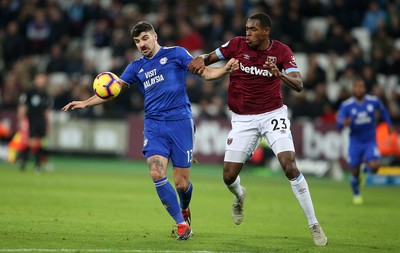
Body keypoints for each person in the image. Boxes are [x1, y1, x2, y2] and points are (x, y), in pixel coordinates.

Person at [62, 21, 238, 240]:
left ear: (155, 36)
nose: (141, 44)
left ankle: (185, 207)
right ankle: (182, 224)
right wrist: (85, 103)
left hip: (180, 122)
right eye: (137, 41)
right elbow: (113, 90)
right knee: (156, 172)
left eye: (145, 38)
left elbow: (205, 74)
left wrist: (224, 70)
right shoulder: (135, 67)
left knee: (182, 184)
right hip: (154, 125)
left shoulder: (176, 54)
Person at [188, 13, 328, 246]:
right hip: (242, 119)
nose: (248, 33)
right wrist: (199, 59)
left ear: (266, 31)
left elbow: (300, 84)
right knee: (228, 176)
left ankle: (314, 224)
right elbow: (211, 57)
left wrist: (279, 74)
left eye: (253, 29)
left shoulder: (282, 52)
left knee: (290, 166)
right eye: (246, 28)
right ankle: (240, 195)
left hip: (273, 114)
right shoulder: (236, 45)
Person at [337, 78, 393, 205]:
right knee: (354, 171)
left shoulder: (373, 101)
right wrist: (343, 123)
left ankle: (366, 169)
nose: (359, 89)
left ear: (364, 88)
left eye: (361, 86)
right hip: (355, 141)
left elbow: (383, 111)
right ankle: (356, 193)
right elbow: (339, 124)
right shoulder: (347, 105)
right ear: (353, 89)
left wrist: (388, 124)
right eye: (356, 87)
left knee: (375, 166)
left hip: (370, 140)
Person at [17, 72, 52, 173]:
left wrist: (48, 123)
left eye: (43, 79)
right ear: (36, 79)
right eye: (40, 78)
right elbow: (22, 106)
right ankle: (33, 163)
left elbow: (46, 110)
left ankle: (27, 161)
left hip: (40, 120)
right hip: (30, 119)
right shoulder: (29, 92)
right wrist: (20, 120)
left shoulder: (44, 93)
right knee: (31, 141)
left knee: (40, 142)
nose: (42, 80)